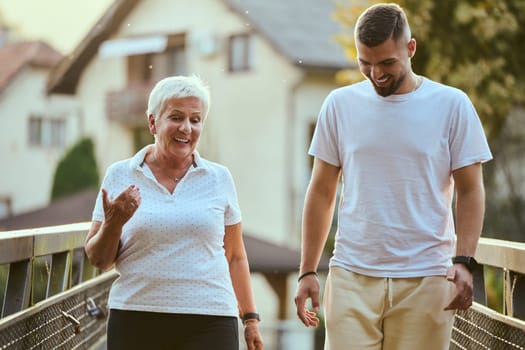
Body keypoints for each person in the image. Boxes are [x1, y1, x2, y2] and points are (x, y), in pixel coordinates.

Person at [294, 3, 492, 349]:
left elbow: (471, 190)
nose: (375, 74)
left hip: (427, 277)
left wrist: (464, 261)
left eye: (387, 63)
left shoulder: (452, 105)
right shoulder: (339, 105)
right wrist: (307, 269)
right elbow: (322, 192)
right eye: (364, 64)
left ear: (410, 48)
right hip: (352, 276)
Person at [85, 75, 263, 350]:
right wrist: (114, 222)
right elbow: (99, 259)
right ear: (153, 122)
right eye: (176, 117)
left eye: (195, 119)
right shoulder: (120, 174)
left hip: (210, 318)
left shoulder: (219, 178)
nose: (187, 128)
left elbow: (236, 255)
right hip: (137, 316)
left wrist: (250, 318)